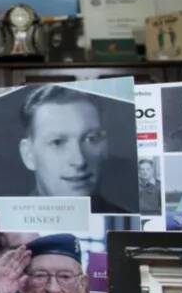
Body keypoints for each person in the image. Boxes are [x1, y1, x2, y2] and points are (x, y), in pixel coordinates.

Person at [17, 85, 129, 213]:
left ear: (105, 146)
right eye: (57, 142)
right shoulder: (4, 225)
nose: (79, 160)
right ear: (28, 155)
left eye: (91, 139)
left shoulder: (129, 225)